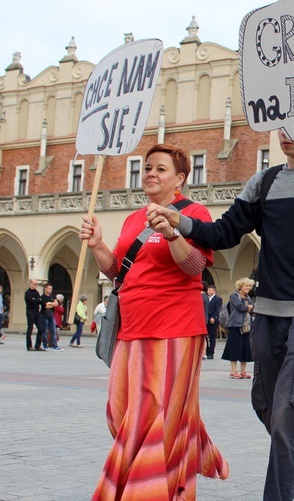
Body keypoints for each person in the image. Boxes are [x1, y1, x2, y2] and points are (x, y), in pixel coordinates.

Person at [146, 124, 294, 500]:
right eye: (279, 124)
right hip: (266, 312)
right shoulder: (264, 182)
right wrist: (180, 222)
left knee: (288, 411)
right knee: (265, 404)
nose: (284, 132)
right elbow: (222, 233)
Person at [80, 143, 228, 499]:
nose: (150, 173)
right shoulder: (134, 218)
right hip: (132, 328)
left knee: (156, 417)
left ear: (179, 178)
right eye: (147, 167)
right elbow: (118, 272)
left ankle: (140, 492)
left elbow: (195, 267)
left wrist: (174, 232)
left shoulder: (194, 213)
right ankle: (167, 482)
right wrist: (99, 245)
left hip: (175, 328)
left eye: (160, 169)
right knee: (120, 412)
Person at [223, 278, 254, 379]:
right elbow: (241, 307)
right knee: (234, 348)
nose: (248, 288)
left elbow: (253, 308)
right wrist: (248, 307)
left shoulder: (248, 298)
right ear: (241, 286)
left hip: (246, 327)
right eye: (246, 285)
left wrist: (249, 307)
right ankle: (233, 371)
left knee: (245, 349)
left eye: (249, 286)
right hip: (235, 326)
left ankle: (243, 371)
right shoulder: (234, 296)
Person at [25, 278, 46, 351]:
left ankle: (38, 345)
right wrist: (38, 300)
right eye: (35, 284)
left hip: (37, 312)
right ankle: (29, 346)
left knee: (41, 328)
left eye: (37, 284)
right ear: (30, 284)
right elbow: (32, 301)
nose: (36, 285)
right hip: (30, 312)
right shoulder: (27, 293)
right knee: (30, 329)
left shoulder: (36, 292)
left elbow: (41, 301)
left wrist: (37, 300)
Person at [40, 284, 61, 351]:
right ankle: (45, 345)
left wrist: (50, 303)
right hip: (44, 315)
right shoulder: (42, 297)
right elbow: (46, 306)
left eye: (51, 289)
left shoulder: (53, 296)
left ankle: (55, 346)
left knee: (53, 331)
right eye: (49, 288)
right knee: (45, 331)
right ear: (45, 289)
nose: (50, 290)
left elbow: (56, 304)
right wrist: (52, 304)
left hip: (51, 315)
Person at [205, 284, 222, 360]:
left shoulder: (218, 299)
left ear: (214, 291)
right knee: (205, 337)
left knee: (212, 336)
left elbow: (218, 309)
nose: (208, 291)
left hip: (212, 320)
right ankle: (206, 351)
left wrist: (214, 317)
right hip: (206, 319)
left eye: (210, 290)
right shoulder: (206, 298)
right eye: (208, 290)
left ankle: (211, 352)